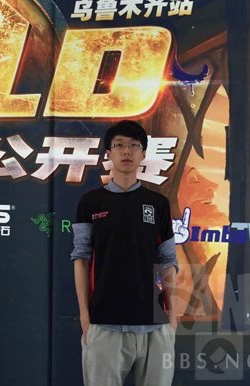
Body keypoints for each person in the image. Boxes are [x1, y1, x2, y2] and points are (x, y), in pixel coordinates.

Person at [71, 120, 178, 386]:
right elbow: (81, 259)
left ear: (143, 153)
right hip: (104, 322)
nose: (126, 151)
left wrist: (173, 316)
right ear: (109, 153)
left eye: (133, 145)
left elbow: (168, 262)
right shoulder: (90, 203)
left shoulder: (158, 204)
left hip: (154, 324)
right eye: (119, 145)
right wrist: (85, 316)